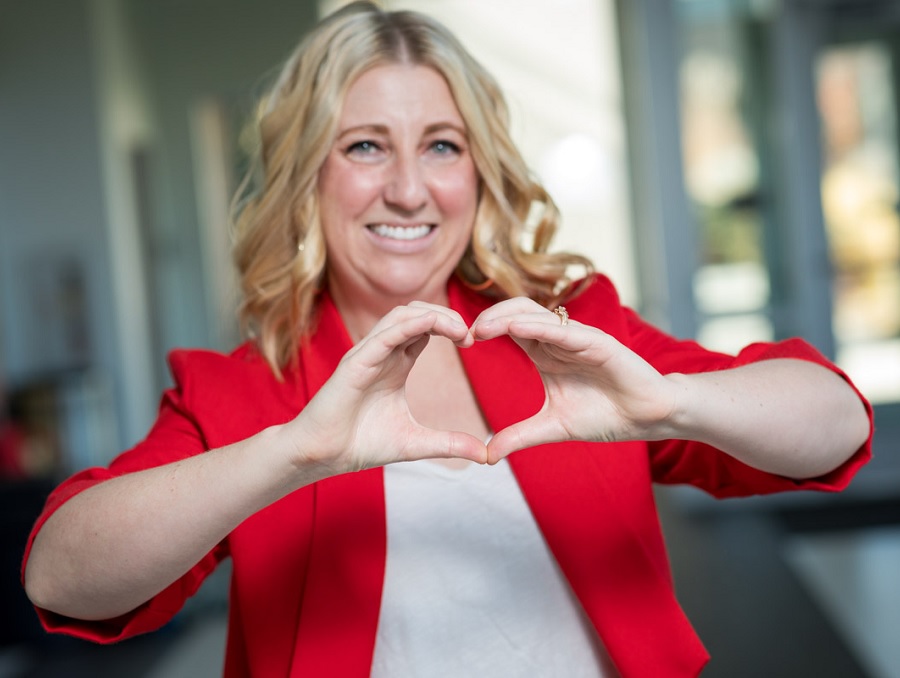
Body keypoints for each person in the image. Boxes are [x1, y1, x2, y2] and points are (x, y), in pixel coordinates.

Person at [22, 2, 872, 676]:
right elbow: (61, 577)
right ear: (307, 176)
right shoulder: (240, 392)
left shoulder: (572, 331)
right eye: (364, 146)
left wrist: (674, 398)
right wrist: (291, 452)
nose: (406, 188)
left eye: (441, 145)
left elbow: (836, 422)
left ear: (478, 170)